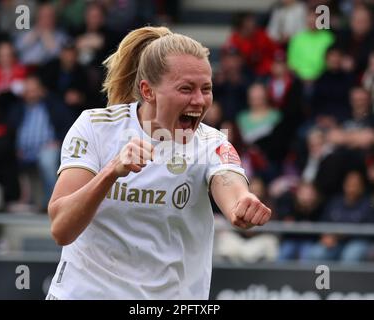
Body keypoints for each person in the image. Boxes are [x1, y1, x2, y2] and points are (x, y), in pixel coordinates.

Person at [46, 26, 271, 300]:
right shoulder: (95, 127)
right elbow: (61, 228)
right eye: (186, 89)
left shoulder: (212, 143)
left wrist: (242, 204)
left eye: (207, 89)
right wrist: (111, 172)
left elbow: (231, 186)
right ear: (148, 91)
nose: (199, 100)